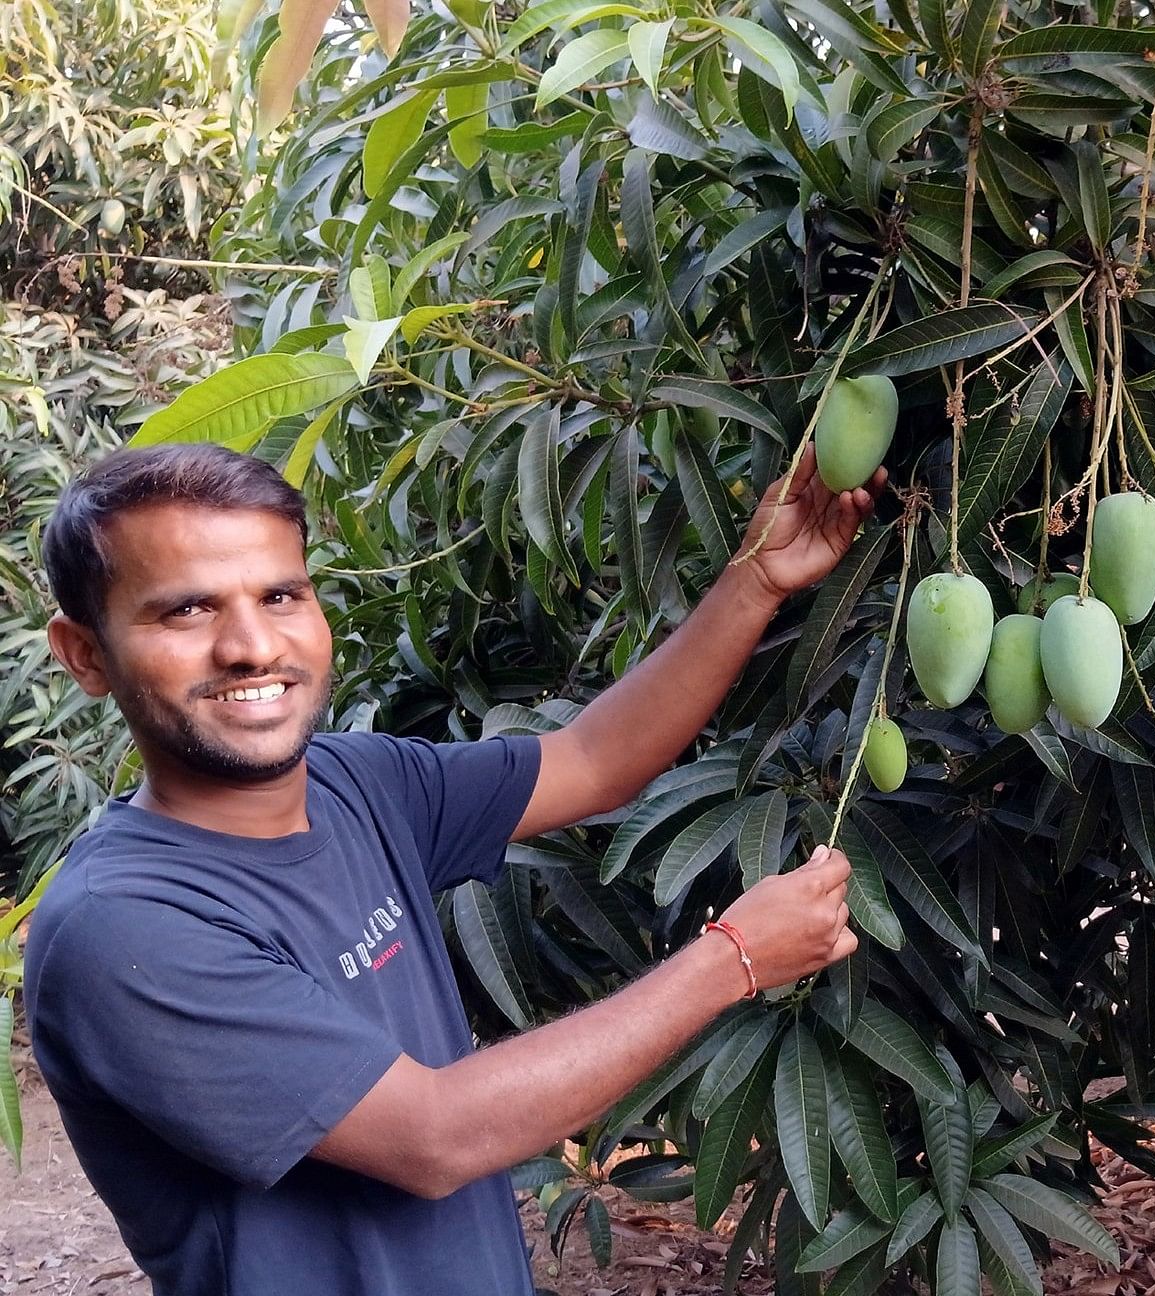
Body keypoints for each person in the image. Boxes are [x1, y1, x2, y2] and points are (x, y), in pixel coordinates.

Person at [24, 441, 882, 1295]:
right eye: (187, 611)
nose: (251, 645)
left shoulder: (356, 783)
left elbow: (591, 760)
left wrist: (755, 581)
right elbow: (434, 1137)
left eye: (281, 593)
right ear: (85, 654)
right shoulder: (124, 927)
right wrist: (732, 958)